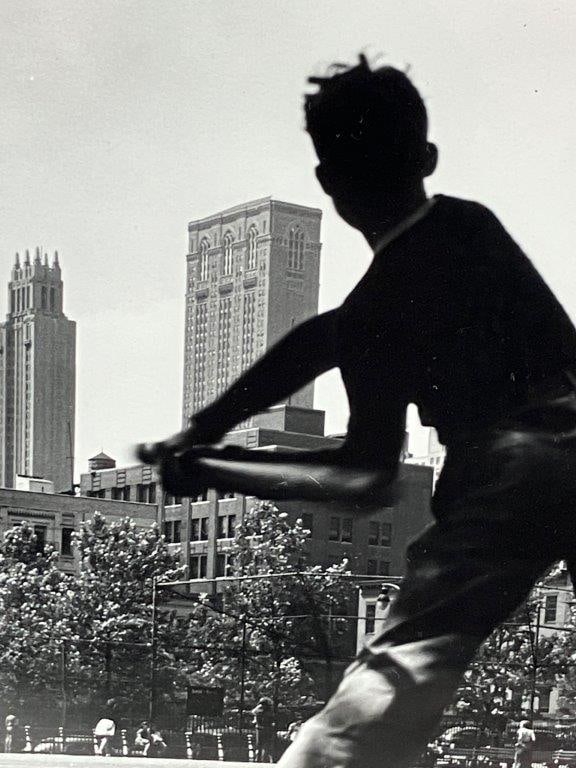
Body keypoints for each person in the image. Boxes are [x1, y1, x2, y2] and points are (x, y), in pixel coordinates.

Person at [138, 53, 576, 768]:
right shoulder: (471, 228)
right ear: (427, 156)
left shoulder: (375, 314)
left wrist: (218, 459)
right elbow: (326, 335)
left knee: (353, 735)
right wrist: (207, 431)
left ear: (328, 184)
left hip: (510, 473)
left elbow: (365, 476)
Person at [251, 697, 276, 763]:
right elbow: (254, 712)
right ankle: (260, 758)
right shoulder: (263, 709)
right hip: (262, 728)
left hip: (264, 728)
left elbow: (254, 712)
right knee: (262, 744)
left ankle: (262, 758)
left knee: (262, 744)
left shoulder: (268, 710)